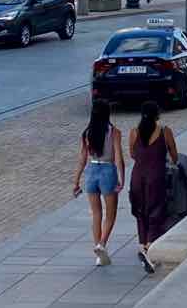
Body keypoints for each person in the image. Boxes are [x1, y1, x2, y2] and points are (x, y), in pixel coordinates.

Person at [72, 98, 126, 266]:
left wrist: (76, 181)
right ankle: (101, 244)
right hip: (108, 171)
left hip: (91, 171)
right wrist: (122, 178)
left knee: (96, 213)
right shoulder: (114, 132)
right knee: (111, 214)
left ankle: (98, 252)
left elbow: (82, 158)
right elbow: (118, 157)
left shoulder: (87, 133)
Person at [129, 100, 178, 274]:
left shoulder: (134, 132)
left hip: (137, 177)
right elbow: (174, 155)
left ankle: (143, 244)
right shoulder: (165, 131)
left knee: (140, 211)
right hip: (156, 177)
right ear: (157, 115)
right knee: (156, 211)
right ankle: (149, 247)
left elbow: (133, 154)